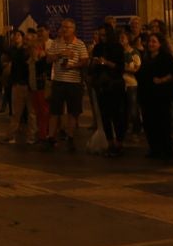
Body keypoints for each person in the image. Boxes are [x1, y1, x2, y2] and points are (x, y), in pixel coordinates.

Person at [46, 18, 89, 151]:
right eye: (63, 27)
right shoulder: (56, 43)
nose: (65, 29)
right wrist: (60, 54)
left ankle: (70, 137)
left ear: (73, 29)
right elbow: (48, 59)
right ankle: (51, 137)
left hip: (74, 82)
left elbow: (85, 60)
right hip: (58, 81)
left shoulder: (80, 44)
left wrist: (73, 65)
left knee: (73, 112)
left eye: (68, 27)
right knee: (55, 111)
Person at [138, 33, 173, 160]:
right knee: (149, 123)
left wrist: (162, 80)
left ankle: (167, 149)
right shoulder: (146, 57)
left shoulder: (165, 57)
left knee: (163, 122)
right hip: (147, 95)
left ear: (160, 44)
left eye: (154, 42)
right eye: (150, 41)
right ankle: (154, 148)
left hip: (161, 95)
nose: (151, 44)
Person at [90, 22, 127, 156]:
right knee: (105, 115)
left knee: (117, 115)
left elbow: (120, 67)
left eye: (105, 35)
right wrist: (94, 63)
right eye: (100, 35)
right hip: (102, 85)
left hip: (115, 84)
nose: (102, 37)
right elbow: (92, 67)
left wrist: (106, 62)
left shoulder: (117, 47)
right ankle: (110, 142)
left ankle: (119, 142)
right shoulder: (98, 47)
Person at [1, 29, 32, 145]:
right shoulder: (14, 51)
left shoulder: (27, 51)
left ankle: (31, 136)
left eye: (19, 35)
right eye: (15, 36)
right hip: (17, 83)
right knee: (16, 112)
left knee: (31, 113)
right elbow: (6, 53)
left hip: (27, 84)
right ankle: (11, 135)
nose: (16, 37)